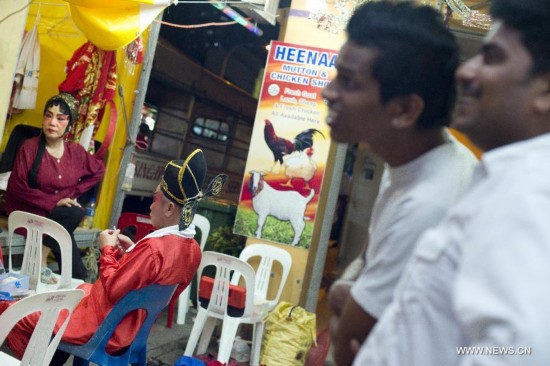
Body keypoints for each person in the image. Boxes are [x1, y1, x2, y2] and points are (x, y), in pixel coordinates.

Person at [353, 0, 550, 365]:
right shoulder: (504, 181)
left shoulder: (530, 196)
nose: (465, 72)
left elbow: (522, 353)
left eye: (491, 58)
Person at [321, 2, 479, 365]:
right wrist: (350, 291)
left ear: (405, 110)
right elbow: (366, 261)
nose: (329, 93)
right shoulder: (416, 159)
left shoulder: (430, 203)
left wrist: (349, 294)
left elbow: (349, 340)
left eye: (348, 81)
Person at [1, 148, 227, 364]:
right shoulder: (192, 249)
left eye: (156, 199)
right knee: (75, 292)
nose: (150, 205)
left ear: (169, 208)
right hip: (132, 326)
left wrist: (107, 249)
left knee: (16, 311)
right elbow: (159, 285)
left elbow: (112, 290)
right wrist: (132, 252)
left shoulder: (153, 249)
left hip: (106, 328)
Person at [5, 92, 105, 280]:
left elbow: (98, 170)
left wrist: (74, 193)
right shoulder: (29, 148)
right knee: (74, 214)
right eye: (48, 115)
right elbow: (17, 189)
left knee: (77, 273)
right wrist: (55, 201)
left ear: (69, 123)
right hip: (30, 212)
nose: (52, 123)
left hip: (58, 219)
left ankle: (72, 276)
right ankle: (41, 259)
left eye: (60, 118)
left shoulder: (75, 152)